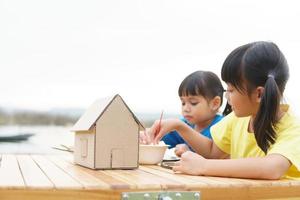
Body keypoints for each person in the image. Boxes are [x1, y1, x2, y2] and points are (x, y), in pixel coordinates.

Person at [147, 41, 300, 180]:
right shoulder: (238, 118)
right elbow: (213, 151)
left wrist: (203, 166)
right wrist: (178, 125)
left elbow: (271, 168)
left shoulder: (294, 129)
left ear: (259, 94)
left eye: (231, 90)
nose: (227, 95)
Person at [140, 70, 231, 157]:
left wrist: (190, 152)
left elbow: (217, 155)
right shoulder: (186, 123)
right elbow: (159, 140)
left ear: (215, 103)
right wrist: (147, 136)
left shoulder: (222, 126)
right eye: (183, 103)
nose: (185, 109)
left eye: (193, 103)